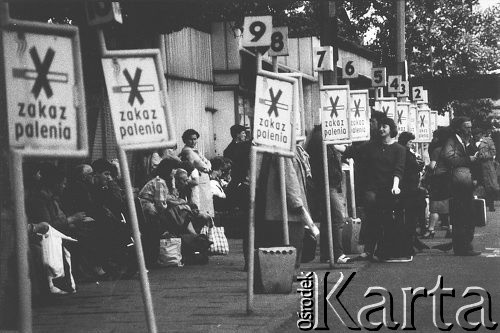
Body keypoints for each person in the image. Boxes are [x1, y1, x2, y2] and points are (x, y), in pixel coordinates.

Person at [355, 117, 408, 262]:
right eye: (380, 126)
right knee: (372, 217)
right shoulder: (372, 146)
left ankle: (382, 250)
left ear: (391, 129)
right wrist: (335, 143)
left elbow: (399, 169)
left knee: (384, 219)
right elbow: (354, 151)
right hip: (372, 187)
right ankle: (369, 250)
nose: (381, 129)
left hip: (388, 189)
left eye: (384, 126)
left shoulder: (399, 149)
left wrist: (395, 186)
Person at [306, 125, 350, 264]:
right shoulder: (322, 139)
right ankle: (337, 253)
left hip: (328, 183)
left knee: (328, 219)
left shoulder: (323, 140)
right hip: (326, 184)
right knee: (336, 217)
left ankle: (327, 253)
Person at [441, 117, 481, 256]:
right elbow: (449, 159)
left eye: (470, 127)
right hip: (457, 184)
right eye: (466, 127)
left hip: (465, 183)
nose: (469, 129)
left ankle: (465, 245)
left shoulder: (466, 141)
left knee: (468, 215)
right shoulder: (452, 141)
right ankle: (462, 247)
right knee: (461, 216)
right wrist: (468, 159)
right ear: (458, 128)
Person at [397, 132, 428, 252]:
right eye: (410, 141)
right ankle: (410, 241)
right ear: (405, 141)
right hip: (408, 187)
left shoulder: (407, 151)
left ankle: (414, 239)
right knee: (411, 215)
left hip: (412, 186)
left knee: (414, 213)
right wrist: (419, 165)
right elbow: (412, 165)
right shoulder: (404, 151)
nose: (412, 144)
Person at [423, 127, 452, 239]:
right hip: (449, 179)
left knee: (435, 206)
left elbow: (433, 166)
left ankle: (431, 229)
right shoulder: (452, 149)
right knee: (449, 205)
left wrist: (426, 167)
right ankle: (450, 228)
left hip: (438, 180)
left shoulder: (437, 150)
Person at [179, 129, 214, 217]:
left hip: (203, 180)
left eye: (195, 139)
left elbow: (208, 162)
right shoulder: (188, 151)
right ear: (185, 140)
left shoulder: (195, 150)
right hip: (197, 180)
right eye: (191, 139)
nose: (193, 141)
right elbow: (203, 166)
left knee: (205, 203)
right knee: (198, 204)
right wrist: (207, 166)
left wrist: (207, 165)